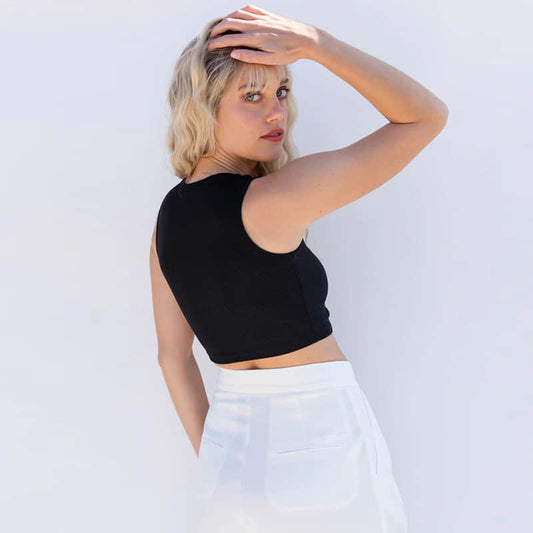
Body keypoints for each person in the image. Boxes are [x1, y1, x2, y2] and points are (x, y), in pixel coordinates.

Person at [149, 4, 447, 532]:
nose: (276, 114)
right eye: (252, 96)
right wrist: (317, 44)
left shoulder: (168, 218)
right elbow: (426, 116)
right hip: (319, 432)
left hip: (227, 449)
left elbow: (173, 357)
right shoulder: (277, 198)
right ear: (204, 106)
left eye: (282, 91)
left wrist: (215, 463)